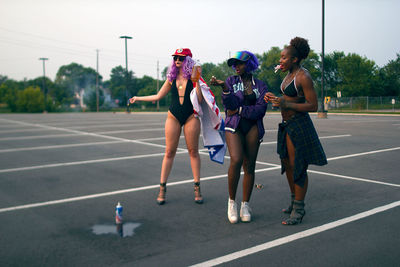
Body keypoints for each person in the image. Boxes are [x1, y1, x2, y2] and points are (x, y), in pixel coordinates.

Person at [264, 37, 327, 225]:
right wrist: (276, 99)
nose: (280, 60)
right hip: (287, 124)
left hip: (299, 124)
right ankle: (294, 202)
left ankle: (299, 209)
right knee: (288, 165)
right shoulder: (289, 75)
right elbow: (290, 99)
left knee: (298, 166)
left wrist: (285, 103)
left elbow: (313, 105)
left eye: (284, 58)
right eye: (280, 58)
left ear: (295, 59)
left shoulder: (303, 76)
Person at [129, 48, 204, 205]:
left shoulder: (195, 78)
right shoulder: (172, 78)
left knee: (193, 151)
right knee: (169, 152)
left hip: (191, 116)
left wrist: (197, 81)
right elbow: (158, 96)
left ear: (188, 61)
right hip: (173, 116)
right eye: (176, 57)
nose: (177, 60)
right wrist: (138, 98)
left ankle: (197, 187)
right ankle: (162, 187)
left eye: (181, 58)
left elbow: (199, 100)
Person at [211, 51, 268, 223]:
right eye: (234, 64)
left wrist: (242, 110)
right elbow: (230, 105)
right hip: (234, 125)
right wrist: (225, 89)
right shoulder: (230, 81)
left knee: (249, 166)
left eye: (240, 63)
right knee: (236, 160)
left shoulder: (261, 85)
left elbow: (261, 109)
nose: (236, 66)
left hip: (253, 127)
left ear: (249, 64)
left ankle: (245, 204)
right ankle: (231, 202)